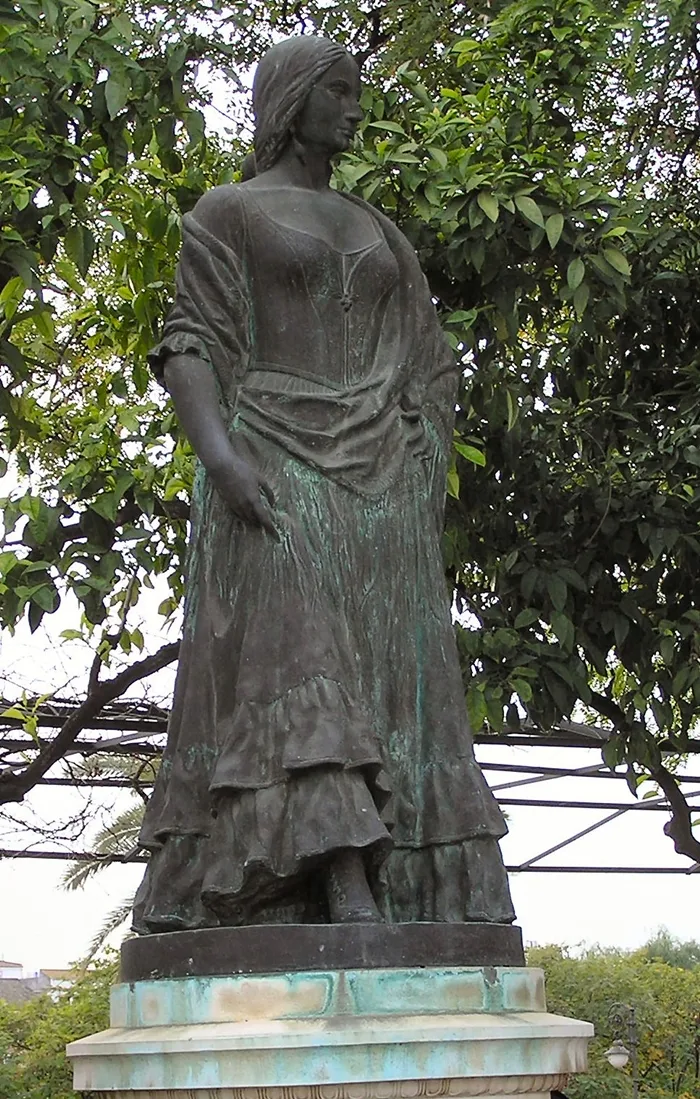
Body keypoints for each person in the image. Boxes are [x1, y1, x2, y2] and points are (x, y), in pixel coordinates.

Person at [133, 35, 516, 932]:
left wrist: (421, 450)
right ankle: (331, 875)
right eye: (338, 92)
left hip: (382, 482)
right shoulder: (228, 212)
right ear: (293, 99)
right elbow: (191, 342)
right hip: (271, 462)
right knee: (297, 657)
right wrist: (220, 456)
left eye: (356, 92)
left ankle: (417, 889)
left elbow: (429, 359)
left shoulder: (383, 232)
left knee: (395, 676)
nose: (354, 107)